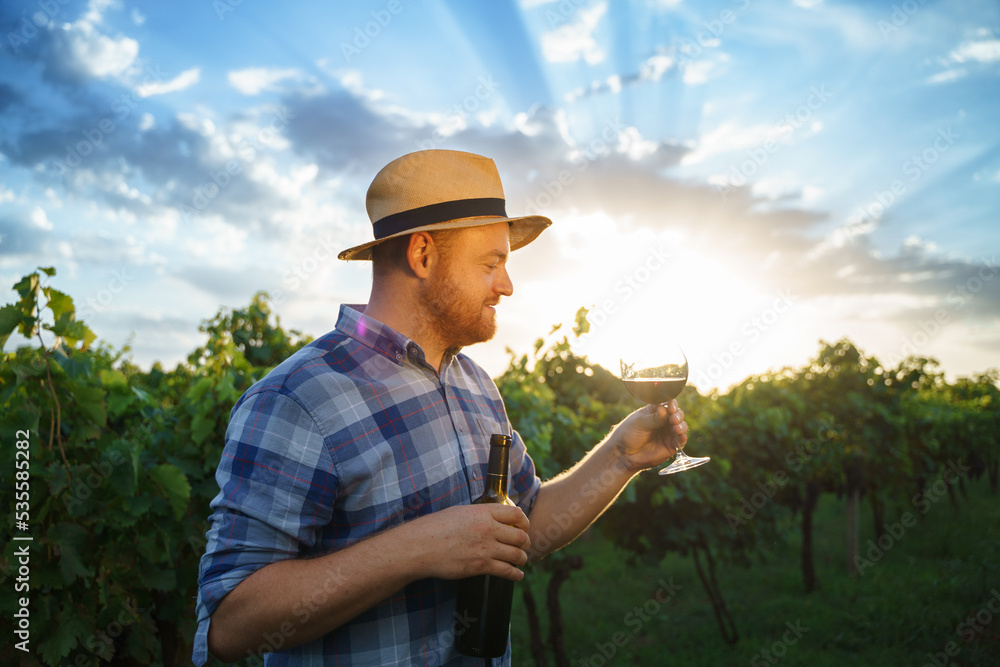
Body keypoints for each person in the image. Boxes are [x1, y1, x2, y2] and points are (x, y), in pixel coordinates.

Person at [193, 149, 688, 666]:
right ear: (423, 255)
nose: (507, 284)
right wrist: (417, 548)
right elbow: (231, 623)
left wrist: (619, 458)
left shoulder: (474, 384)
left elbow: (527, 522)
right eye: (492, 262)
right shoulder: (298, 398)